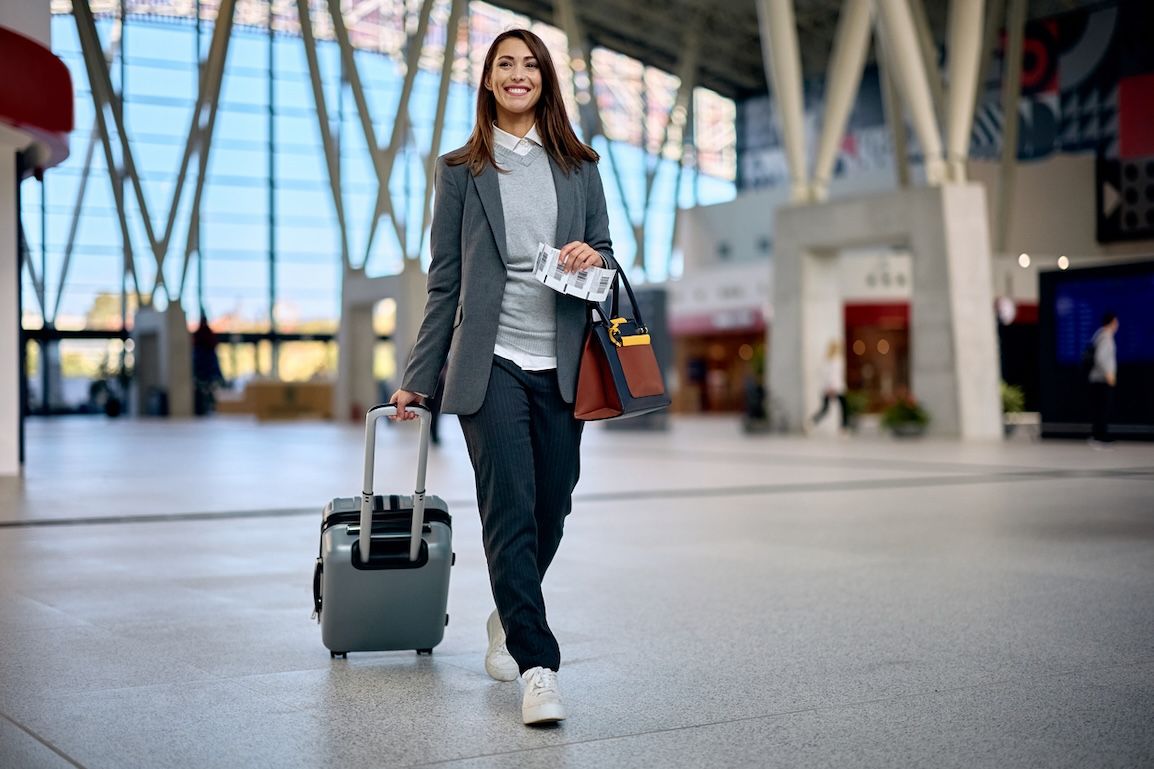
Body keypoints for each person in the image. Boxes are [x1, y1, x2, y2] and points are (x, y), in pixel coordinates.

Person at [389, 28, 617, 726]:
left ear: (545, 81)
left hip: (564, 362)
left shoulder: (580, 166)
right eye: (504, 65)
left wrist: (588, 258)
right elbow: (444, 281)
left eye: (530, 66)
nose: (518, 75)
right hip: (491, 366)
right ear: (487, 81)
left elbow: (606, 263)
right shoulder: (462, 169)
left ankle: (507, 614)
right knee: (510, 511)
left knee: (554, 506)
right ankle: (538, 664)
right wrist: (417, 378)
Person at [1088, 312, 1119, 445]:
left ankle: (1097, 435)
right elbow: (1101, 358)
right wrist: (1108, 374)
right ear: (1111, 322)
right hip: (1102, 379)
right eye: (1116, 321)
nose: (1118, 324)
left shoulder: (1098, 335)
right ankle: (1100, 437)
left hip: (1096, 379)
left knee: (1099, 408)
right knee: (1103, 409)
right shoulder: (1106, 337)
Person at [810, 340, 848, 431]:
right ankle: (844, 427)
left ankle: (811, 422)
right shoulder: (836, 360)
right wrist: (832, 388)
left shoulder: (827, 360)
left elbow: (824, 375)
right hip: (835, 388)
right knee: (843, 408)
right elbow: (833, 376)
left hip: (829, 387)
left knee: (826, 409)